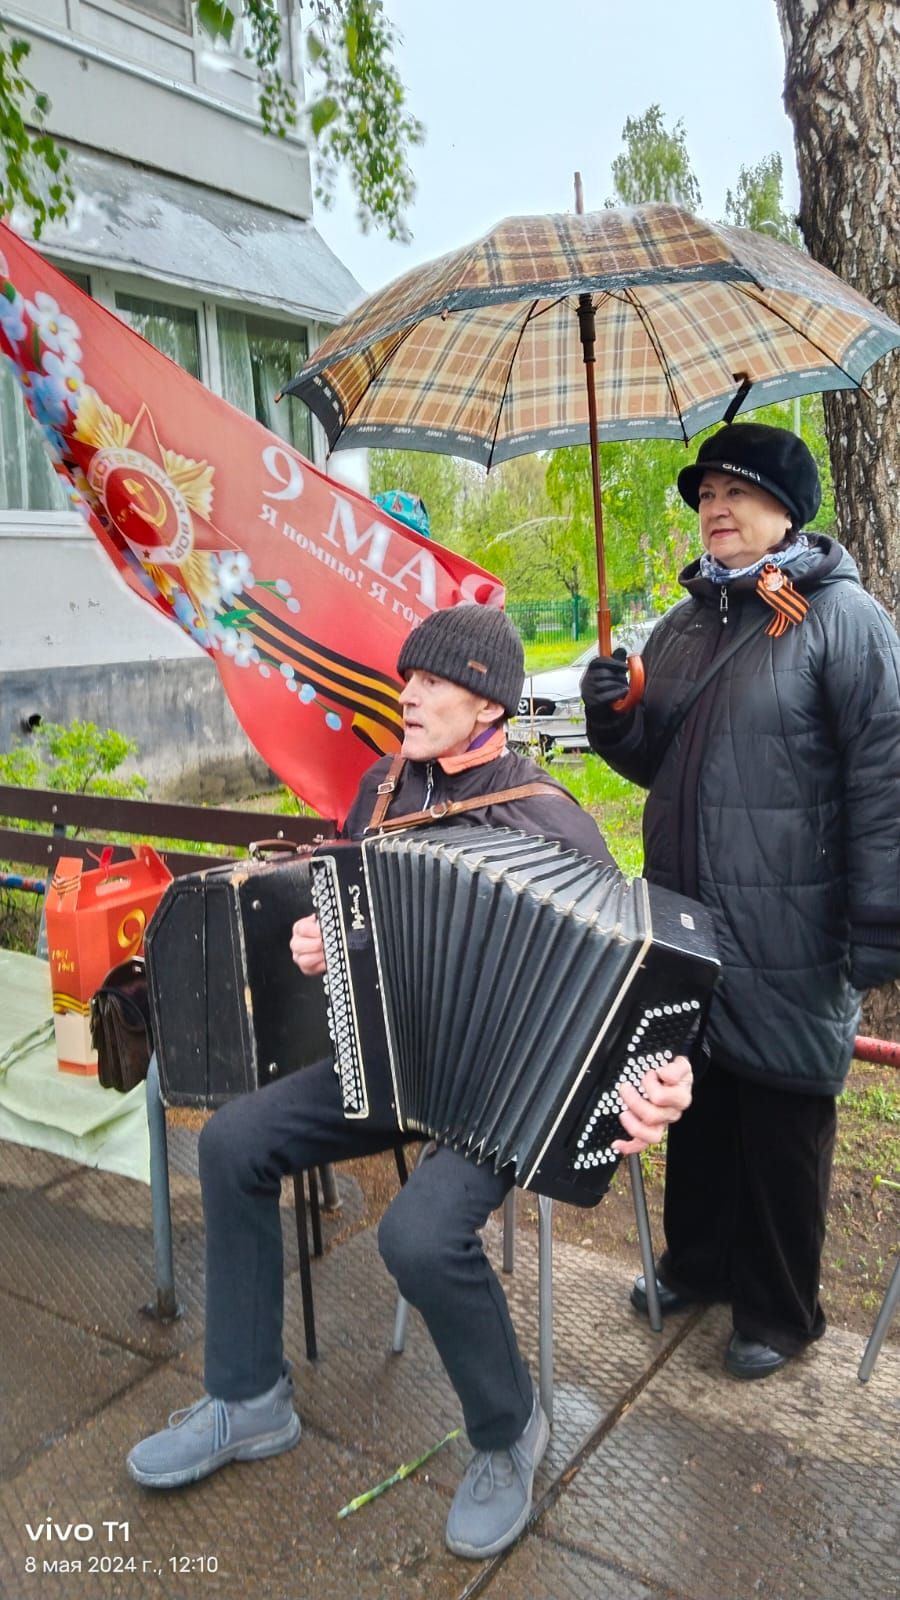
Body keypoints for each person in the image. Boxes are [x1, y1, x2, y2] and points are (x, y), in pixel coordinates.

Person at [127, 604, 694, 1559]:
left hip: (506, 1091)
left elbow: (641, 982)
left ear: (490, 703)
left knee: (417, 1233)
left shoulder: (551, 820)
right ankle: (247, 1396)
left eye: (432, 682)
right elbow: (344, 915)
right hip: (387, 1063)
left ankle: (510, 1430)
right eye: (407, 678)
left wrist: (666, 1075)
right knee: (230, 1142)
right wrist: (318, 944)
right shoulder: (384, 788)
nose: (409, 694)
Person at [581, 421, 900, 1382]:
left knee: (780, 1107)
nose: (714, 507)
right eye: (706, 492)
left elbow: (886, 780)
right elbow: (654, 760)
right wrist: (613, 716)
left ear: (786, 511)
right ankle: (703, 1263)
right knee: (701, 1090)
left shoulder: (845, 622)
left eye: (737, 492)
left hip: (795, 920)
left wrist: (882, 927)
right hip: (690, 913)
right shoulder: (688, 624)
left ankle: (780, 1306)